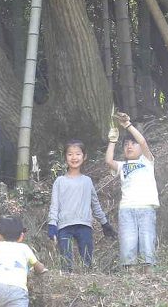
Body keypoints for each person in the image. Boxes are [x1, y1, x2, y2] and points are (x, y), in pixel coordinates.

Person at [47, 140, 116, 271]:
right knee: (66, 262)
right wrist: (52, 224)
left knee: (87, 260)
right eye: (70, 154)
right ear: (65, 157)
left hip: (84, 226)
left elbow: (95, 205)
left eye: (78, 154)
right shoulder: (59, 181)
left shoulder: (87, 181)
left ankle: (89, 282)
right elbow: (54, 205)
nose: (74, 157)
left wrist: (104, 223)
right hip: (64, 226)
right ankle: (67, 284)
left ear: (84, 157)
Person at [104, 113, 159, 267]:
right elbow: (108, 160)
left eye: (132, 144)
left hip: (146, 207)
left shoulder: (147, 161)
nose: (129, 146)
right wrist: (112, 141)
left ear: (140, 148)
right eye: (126, 144)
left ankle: (149, 272)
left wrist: (127, 125)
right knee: (128, 241)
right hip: (127, 209)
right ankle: (130, 273)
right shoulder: (122, 165)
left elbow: (142, 141)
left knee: (147, 240)